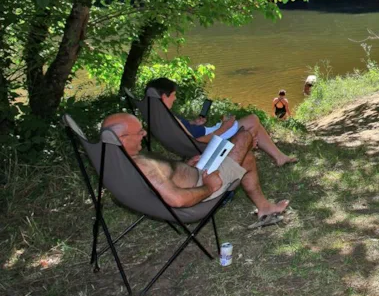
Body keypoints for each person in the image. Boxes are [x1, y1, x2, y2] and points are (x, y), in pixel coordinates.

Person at [101, 113, 289, 220]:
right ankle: (264, 205)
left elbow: (164, 178)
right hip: (203, 184)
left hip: (196, 173)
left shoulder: (117, 159)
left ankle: (264, 207)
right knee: (245, 136)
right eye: (139, 132)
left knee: (246, 159)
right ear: (121, 138)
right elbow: (177, 200)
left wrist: (185, 167)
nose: (144, 134)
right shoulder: (141, 165)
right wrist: (209, 186)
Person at [147, 78, 296, 167]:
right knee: (252, 120)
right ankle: (264, 153)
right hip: (208, 141)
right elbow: (197, 141)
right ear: (164, 96)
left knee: (250, 122)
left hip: (207, 132)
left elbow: (186, 132)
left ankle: (276, 155)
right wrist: (224, 127)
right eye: (173, 95)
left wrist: (194, 123)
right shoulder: (169, 117)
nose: (174, 98)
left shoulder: (160, 115)